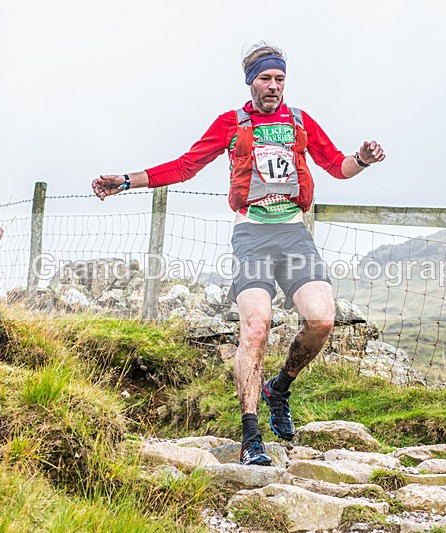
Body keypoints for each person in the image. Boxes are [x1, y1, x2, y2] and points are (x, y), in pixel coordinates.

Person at [92, 42, 385, 466]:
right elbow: (184, 166)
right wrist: (125, 180)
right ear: (250, 82)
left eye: (280, 79)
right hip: (251, 236)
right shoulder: (231, 123)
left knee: (322, 320)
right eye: (266, 79)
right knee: (255, 328)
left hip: (294, 236)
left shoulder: (300, 121)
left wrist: (363, 159)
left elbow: (337, 166)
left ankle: (278, 388)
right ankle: (251, 438)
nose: (274, 87)